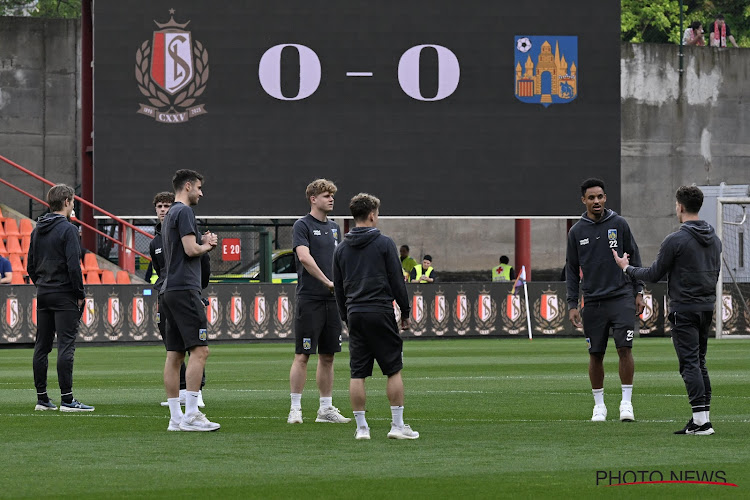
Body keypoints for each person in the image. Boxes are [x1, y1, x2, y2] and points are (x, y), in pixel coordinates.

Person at [613, 186, 721, 435]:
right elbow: (714, 274)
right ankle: (702, 419)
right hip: (706, 308)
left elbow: (653, 274)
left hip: (684, 308)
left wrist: (625, 267)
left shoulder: (676, 240)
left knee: (689, 364)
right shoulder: (715, 239)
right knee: (700, 362)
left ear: (680, 207)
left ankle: (701, 422)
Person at [333, 193, 417, 440]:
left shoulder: (341, 249)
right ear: (371, 215)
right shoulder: (384, 243)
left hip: (355, 313)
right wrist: (406, 312)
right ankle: (397, 426)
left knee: (357, 372)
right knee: (393, 369)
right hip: (380, 311)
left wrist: (346, 318)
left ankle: (362, 429)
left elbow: (339, 289)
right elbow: (396, 281)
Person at [565, 178, 645, 423]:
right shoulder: (576, 231)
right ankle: (599, 406)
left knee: (624, 348)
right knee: (596, 354)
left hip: (621, 297)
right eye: (591, 198)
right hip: (593, 301)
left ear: (605, 198)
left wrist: (639, 291)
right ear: (584, 200)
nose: (596, 201)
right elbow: (571, 269)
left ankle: (626, 403)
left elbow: (635, 257)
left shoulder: (619, 224)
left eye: (600, 196)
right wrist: (571, 303)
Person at [160, 169, 220, 432]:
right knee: (200, 350)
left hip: (168, 289)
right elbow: (191, 249)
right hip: (185, 288)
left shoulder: (169, 214)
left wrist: (199, 242)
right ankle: (193, 414)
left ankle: (176, 418)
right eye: (198, 187)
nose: (201, 193)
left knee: (174, 355)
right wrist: (207, 244)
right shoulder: (184, 212)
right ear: (187, 186)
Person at [287, 179, 350, 424]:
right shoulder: (302, 225)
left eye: (332, 195)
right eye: (326, 195)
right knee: (303, 354)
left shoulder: (335, 228)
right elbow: (304, 257)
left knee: (328, 355)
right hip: (310, 298)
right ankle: (295, 408)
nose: (331, 199)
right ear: (313, 199)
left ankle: (325, 409)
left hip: (332, 301)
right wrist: (327, 281)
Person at [27, 184, 93, 412]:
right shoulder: (68, 230)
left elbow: (30, 266)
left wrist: (43, 284)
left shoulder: (37, 229)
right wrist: (79, 294)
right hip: (64, 293)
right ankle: (67, 400)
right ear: (67, 201)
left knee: (42, 346)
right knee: (66, 346)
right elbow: (74, 266)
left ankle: (42, 399)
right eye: (73, 202)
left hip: (44, 292)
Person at [151, 191, 208, 409]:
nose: (163, 210)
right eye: (159, 206)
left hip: (180, 290)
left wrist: (199, 289)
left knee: (184, 350)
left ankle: (193, 395)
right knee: (189, 349)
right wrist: (207, 245)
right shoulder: (158, 238)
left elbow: (204, 265)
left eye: (166, 205)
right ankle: (188, 407)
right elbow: (162, 268)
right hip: (174, 291)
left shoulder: (183, 225)